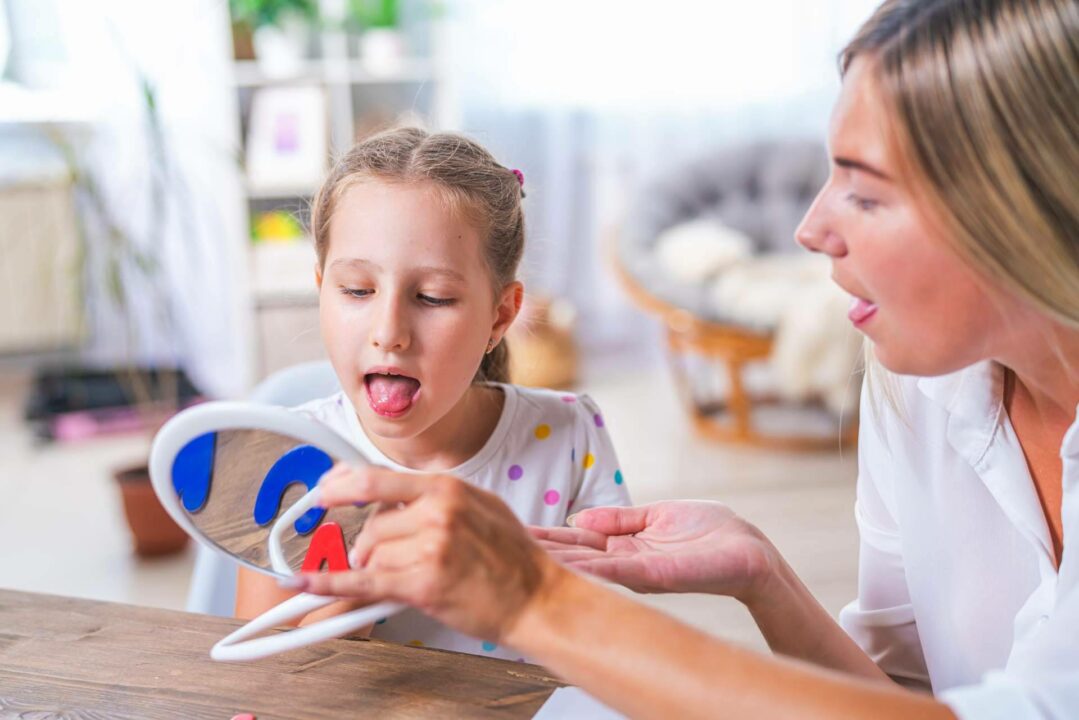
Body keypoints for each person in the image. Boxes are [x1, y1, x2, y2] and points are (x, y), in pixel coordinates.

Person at [288, 0, 1078, 717]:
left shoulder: (561, 432)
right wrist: (762, 575)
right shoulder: (919, 384)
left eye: (865, 193)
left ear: (1021, 209)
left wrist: (529, 600)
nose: (808, 228)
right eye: (827, 172)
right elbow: (900, 703)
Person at [237, 128, 631, 660]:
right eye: (356, 290)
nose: (388, 330)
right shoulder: (283, 459)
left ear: (501, 315)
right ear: (320, 288)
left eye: (433, 297)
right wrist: (365, 595)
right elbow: (257, 671)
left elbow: (611, 651)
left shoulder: (567, 436)